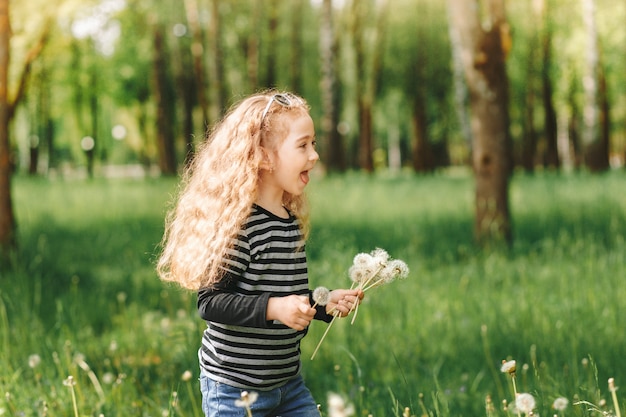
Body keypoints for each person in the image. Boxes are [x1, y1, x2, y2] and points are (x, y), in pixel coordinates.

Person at [156, 91, 363, 417]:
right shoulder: (241, 228)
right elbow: (210, 302)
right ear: (265, 157)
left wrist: (323, 304)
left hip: (288, 385)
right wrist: (273, 308)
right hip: (234, 390)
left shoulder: (289, 222)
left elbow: (283, 297)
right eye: (303, 145)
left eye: (314, 144)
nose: (315, 155)